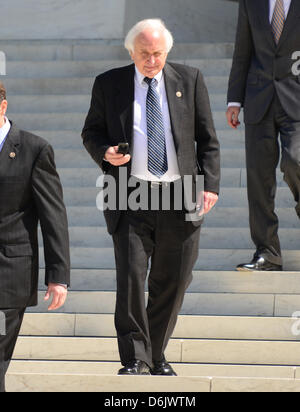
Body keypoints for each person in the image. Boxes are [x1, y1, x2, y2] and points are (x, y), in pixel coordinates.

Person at [82, 19, 220, 376]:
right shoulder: (109, 84)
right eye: (144, 53)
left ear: (167, 51)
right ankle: (135, 358)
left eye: (157, 53)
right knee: (130, 277)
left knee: (172, 282)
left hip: (181, 193)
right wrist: (105, 152)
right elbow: (91, 131)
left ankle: (155, 355)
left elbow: (207, 139)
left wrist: (210, 185)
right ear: (131, 52)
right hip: (130, 193)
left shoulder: (189, 80)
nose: (152, 60)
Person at [0, 81, 70, 392]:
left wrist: (58, 276)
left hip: (8, 273)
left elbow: (53, 216)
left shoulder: (33, 149)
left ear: (2, 106)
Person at [226, 0, 300, 272]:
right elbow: (242, 50)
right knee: (259, 179)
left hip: (297, 99)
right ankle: (267, 252)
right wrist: (234, 100)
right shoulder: (251, 3)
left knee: (295, 161)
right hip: (259, 99)